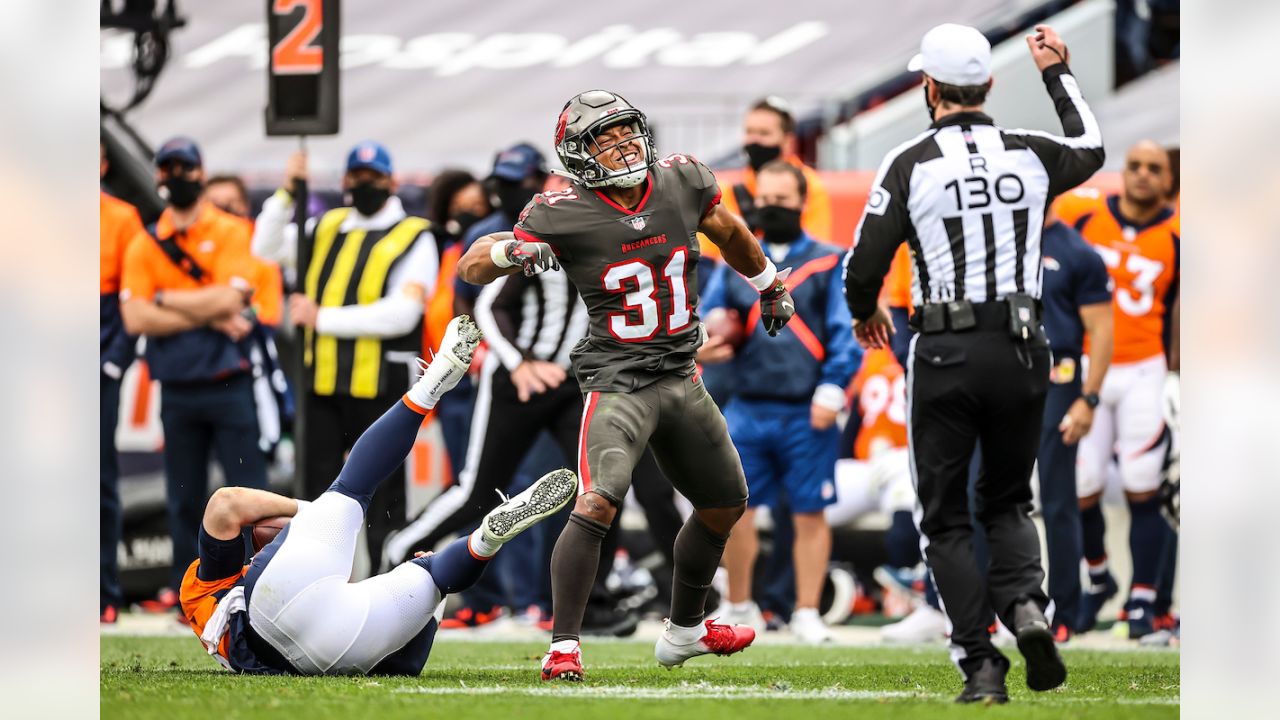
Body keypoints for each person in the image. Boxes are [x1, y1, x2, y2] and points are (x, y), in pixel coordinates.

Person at [458, 89, 797, 680]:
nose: (622, 145)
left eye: (626, 131)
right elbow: (473, 265)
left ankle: (684, 631)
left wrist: (768, 283)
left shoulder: (683, 180)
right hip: (618, 381)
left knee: (724, 505)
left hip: (682, 375)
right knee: (597, 500)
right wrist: (511, 251)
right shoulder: (563, 209)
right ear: (579, 155)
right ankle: (563, 644)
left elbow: (730, 230)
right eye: (604, 138)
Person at [841, 24, 1104, 702]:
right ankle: (1025, 607)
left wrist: (866, 308)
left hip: (946, 350)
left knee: (945, 516)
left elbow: (863, 262)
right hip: (1023, 348)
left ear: (929, 87)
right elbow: (1092, 147)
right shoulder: (1032, 153)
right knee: (1011, 499)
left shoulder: (909, 160)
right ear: (988, 85)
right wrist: (1057, 75)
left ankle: (982, 661)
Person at [179, 315, 578, 675]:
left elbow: (404, 663)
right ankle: (431, 384)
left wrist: (428, 583)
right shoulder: (222, 583)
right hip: (279, 599)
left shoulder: (206, 597)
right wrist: (311, 512)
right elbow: (227, 503)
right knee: (352, 486)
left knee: (435, 574)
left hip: (329, 647)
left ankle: (485, 539)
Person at [252, 141, 440, 572]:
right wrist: (285, 193)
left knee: (384, 495)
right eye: (355, 177)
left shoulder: (414, 235)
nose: (363, 185)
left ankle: (389, 588)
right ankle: (308, 583)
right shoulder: (325, 226)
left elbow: (403, 313)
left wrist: (323, 318)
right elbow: (264, 248)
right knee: (315, 496)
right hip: (321, 383)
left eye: (372, 178)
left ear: (392, 183)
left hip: (381, 385)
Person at [700, 160, 859, 644]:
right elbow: (708, 313)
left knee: (810, 511)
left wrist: (832, 388)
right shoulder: (738, 258)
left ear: (802, 202)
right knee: (732, 508)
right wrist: (708, 336)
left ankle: (807, 610)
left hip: (804, 404)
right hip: (747, 401)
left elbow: (844, 330)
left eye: (783, 198)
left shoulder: (831, 259)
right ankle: (739, 602)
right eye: (765, 197)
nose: (773, 206)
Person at [120, 136, 270, 607]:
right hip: (179, 385)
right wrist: (205, 308)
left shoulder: (228, 229)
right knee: (182, 498)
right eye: (168, 169)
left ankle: (260, 585)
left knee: (251, 492)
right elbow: (136, 319)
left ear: (200, 172)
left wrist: (165, 298)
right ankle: (189, 594)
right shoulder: (146, 242)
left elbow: (232, 298)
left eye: (185, 168)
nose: (176, 176)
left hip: (229, 381)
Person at [1052, 140, 1179, 639]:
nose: (1143, 175)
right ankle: (1099, 578)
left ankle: (1142, 600)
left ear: (1169, 180)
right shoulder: (1085, 219)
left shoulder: (1179, 235)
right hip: (1088, 368)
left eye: (1155, 168)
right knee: (1080, 486)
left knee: (1143, 481)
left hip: (1146, 369)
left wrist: (1179, 374)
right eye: (1135, 166)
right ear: (1121, 172)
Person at [1035, 216, 1115, 642]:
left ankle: (1061, 609)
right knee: (982, 494)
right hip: (997, 372)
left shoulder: (1077, 251)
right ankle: (985, 610)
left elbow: (1101, 328)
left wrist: (1089, 397)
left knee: (1058, 494)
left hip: (1057, 375)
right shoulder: (993, 232)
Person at [100, 141, 145, 624]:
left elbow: (128, 300)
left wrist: (112, 362)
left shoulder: (121, 217)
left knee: (98, 478)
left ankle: (103, 592)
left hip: (97, 358)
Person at [718, 96, 832, 241]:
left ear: (787, 141)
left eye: (764, 133)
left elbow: (816, 248)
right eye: (749, 132)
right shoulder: (731, 189)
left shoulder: (811, 186)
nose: (754, 140)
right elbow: (712, 254)